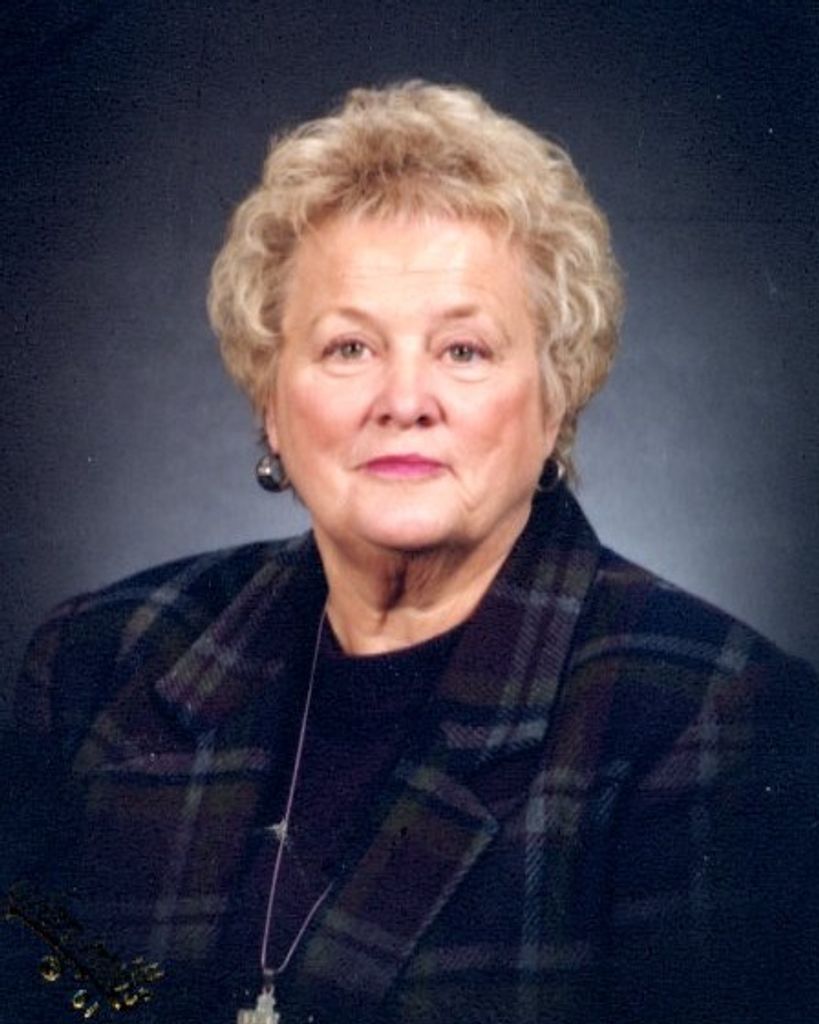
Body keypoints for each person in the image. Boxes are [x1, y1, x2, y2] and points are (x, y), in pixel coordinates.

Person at [2, 81, 817, 1024]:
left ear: (556, 395)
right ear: (271, 399)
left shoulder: (711, 716)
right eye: (348, 348)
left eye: (463, 351)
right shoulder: (100, 662)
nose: (402, 400)